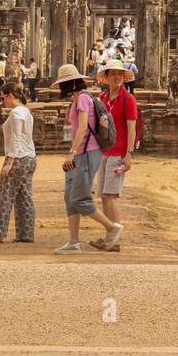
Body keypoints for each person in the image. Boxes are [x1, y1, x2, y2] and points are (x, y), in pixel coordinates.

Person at [52, 64, 121, 253]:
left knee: (79, 199)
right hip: (80, 154)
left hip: (86, 153)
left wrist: (71, 152)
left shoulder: (82, 98)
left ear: (69, 84)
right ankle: (74, 242)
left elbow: (82, 127)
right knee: (69, 197)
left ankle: (112, 227)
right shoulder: (79, 99)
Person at [92, 59, 139, 251]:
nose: (117, 77)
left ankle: (115, 240)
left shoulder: (128, 99)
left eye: (120, 74)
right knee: (104, 196)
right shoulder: (101, 98)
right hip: (103, 152)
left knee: (111, 195)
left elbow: (131, 128)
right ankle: (110, 236)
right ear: (107, 77)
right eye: (113, 74)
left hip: (118, 153)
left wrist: (129, 154)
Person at [0, 80, 36, 244]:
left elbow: (15, 138)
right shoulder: (26, 112)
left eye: (3, 98)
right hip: (30, 157)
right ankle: (26, 233)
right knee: (24, 196)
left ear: (11, 95)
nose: (2, 102)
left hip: (18, 157)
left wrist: (10, 162)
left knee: (4, 195)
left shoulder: (15, 114)